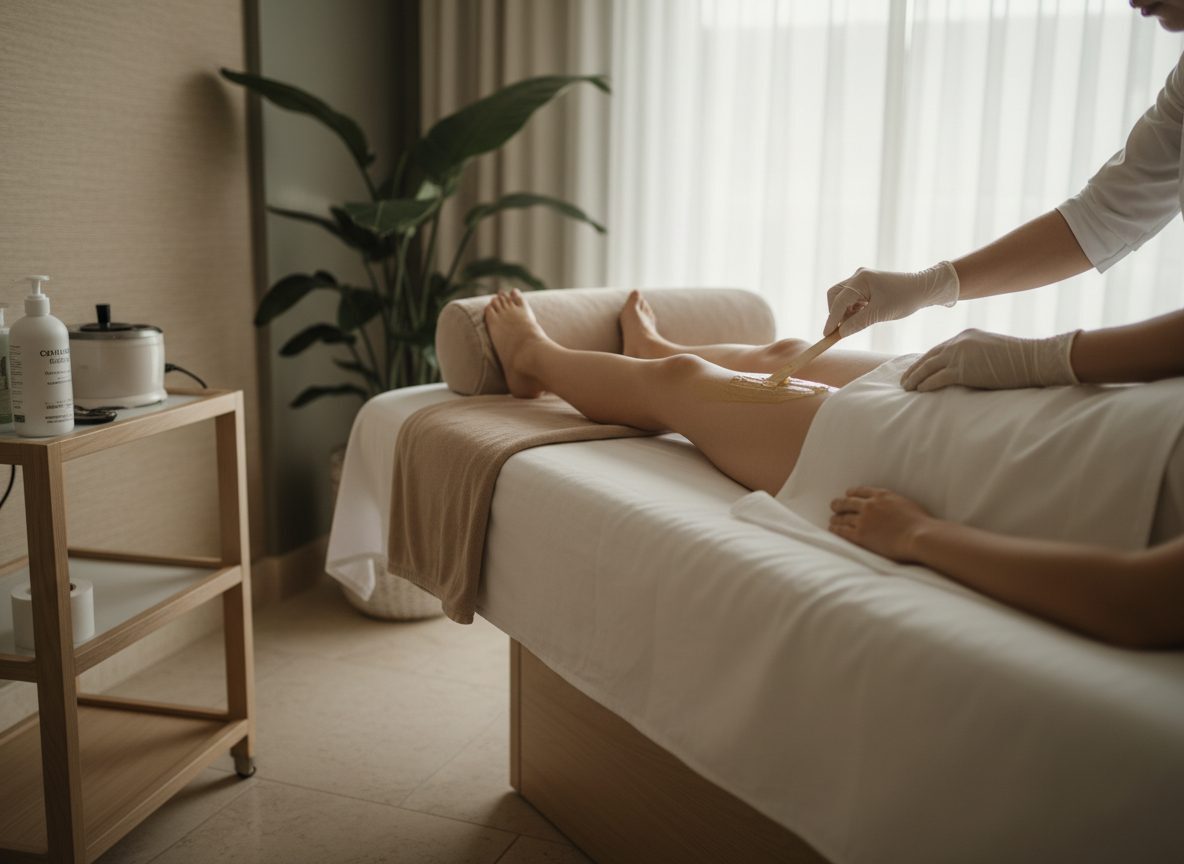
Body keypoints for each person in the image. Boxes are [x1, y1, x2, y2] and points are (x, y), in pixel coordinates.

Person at [484, 288, 1184, 650]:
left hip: (988, 463)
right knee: (786, 351)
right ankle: (653, 342)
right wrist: (1045, 360)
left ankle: (532, 362)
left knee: (680, 383)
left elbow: (1142, 604)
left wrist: (917, 537)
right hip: (1059, 406)